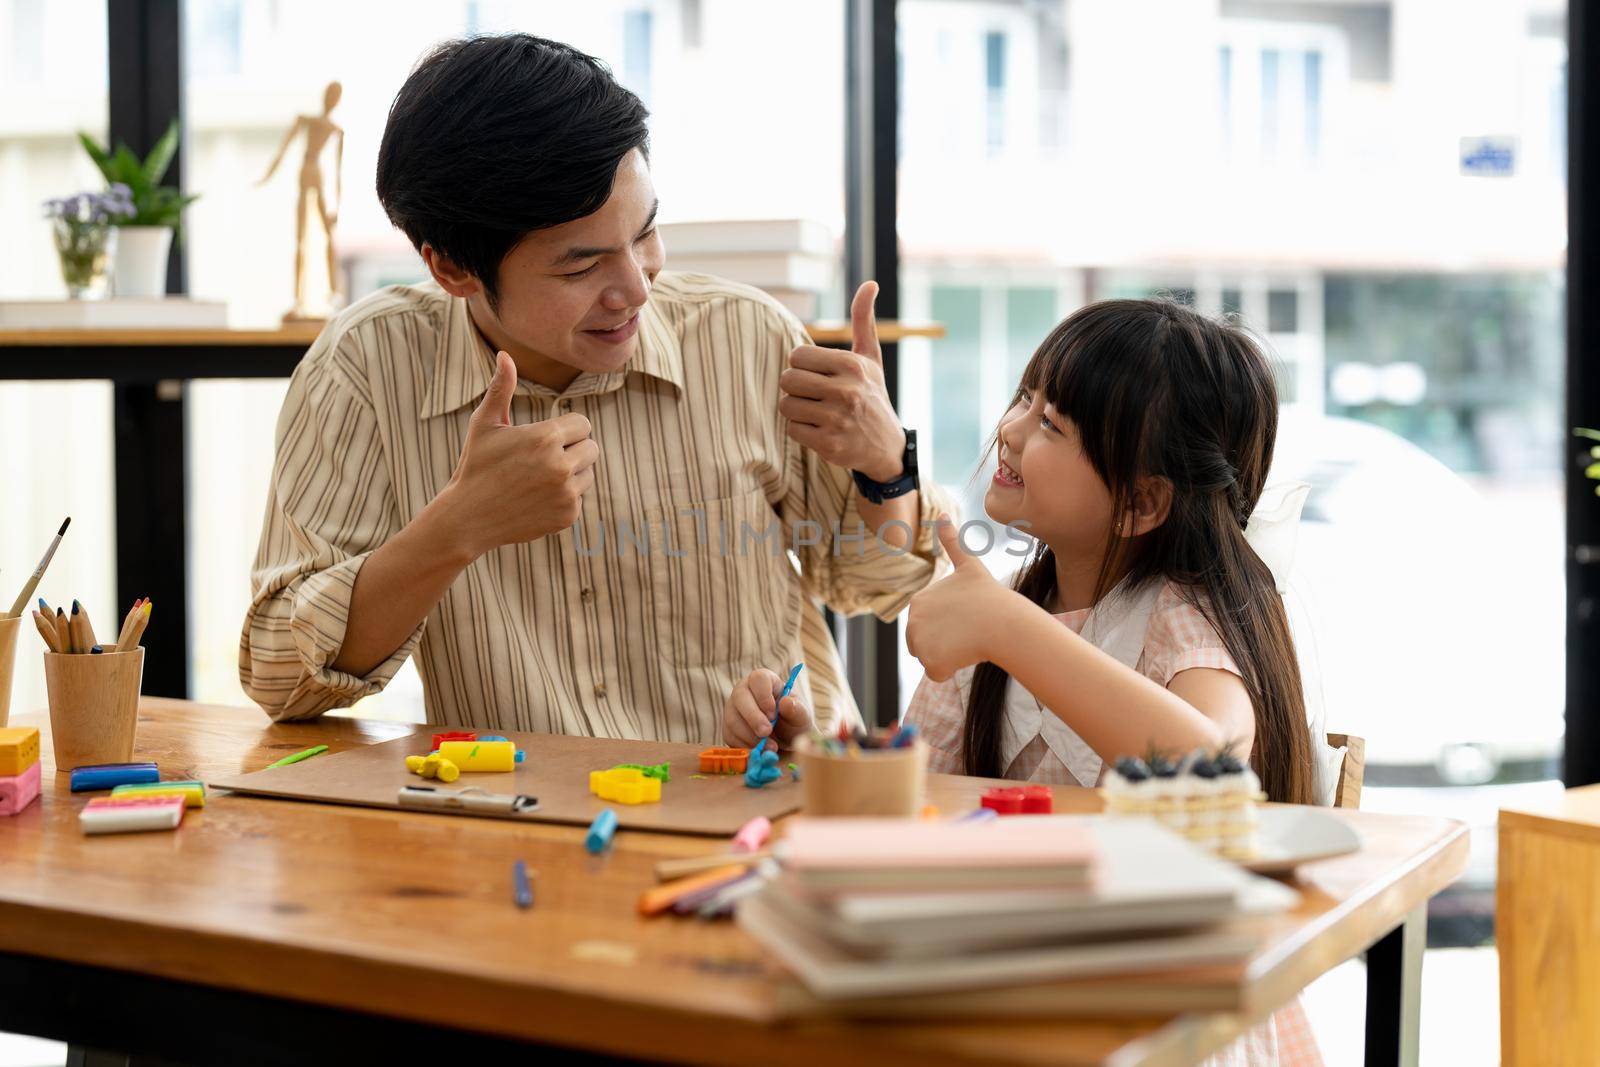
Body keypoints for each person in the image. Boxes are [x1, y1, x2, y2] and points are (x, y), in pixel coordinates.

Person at [241, 34, 951, 740]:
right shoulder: (369, 368)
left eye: (644, 234)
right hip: (525, 828)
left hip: (766, 810)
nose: (636, 288)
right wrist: (456, 529)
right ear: (452, 268)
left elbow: (877, 583)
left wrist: (888, 467)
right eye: (582, 266)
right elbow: (279, 675)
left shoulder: (746, 338)